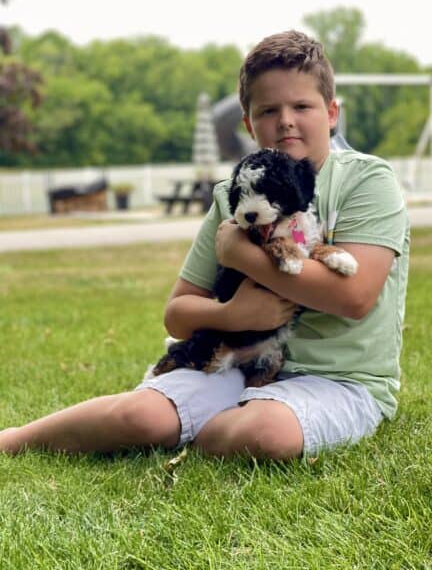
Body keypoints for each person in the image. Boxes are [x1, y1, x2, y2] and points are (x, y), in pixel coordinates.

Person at [0, 31, 409, 459]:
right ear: (249, 124)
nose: (286, 120)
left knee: (266, 433)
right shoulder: (232, 196)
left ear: (330, 113)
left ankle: (200, 425)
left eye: (302, 106)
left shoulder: (367, 181)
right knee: (141, 417)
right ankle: (15, 439)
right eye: (269, 110)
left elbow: (354, 296)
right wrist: (231, 314)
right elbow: (177, 316)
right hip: (236, 363)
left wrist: (241, 255)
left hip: (339, 379)